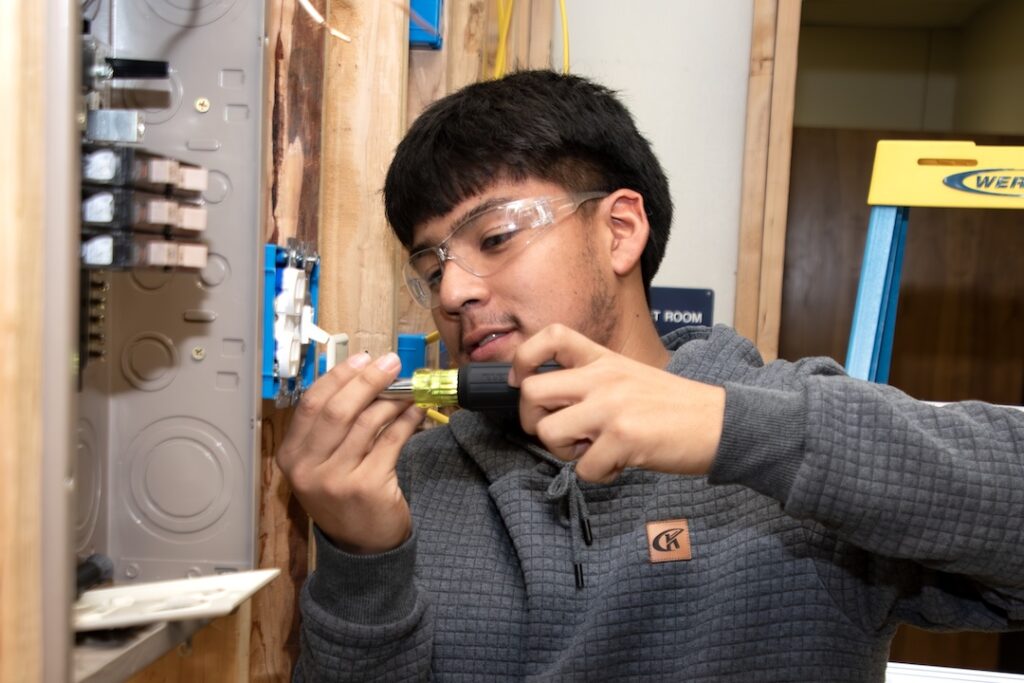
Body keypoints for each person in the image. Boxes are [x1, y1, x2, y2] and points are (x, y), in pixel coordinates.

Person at [277, 70, 1024, 681]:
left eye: (495, 236)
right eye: (430, 265)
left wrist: (729, 427)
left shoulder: (801, 438)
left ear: (620, 230)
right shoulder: (412, 483)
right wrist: (362, 562)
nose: (451, 292)